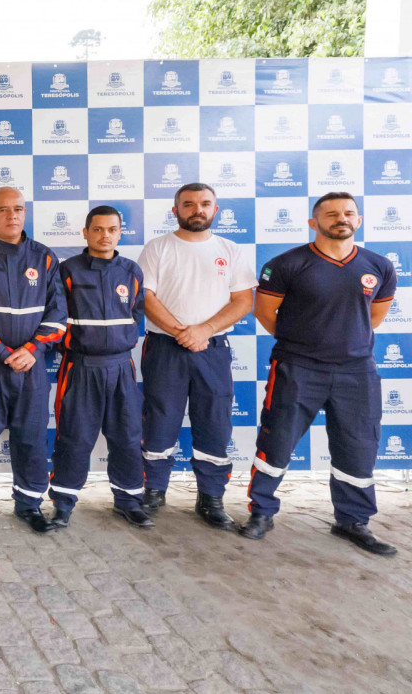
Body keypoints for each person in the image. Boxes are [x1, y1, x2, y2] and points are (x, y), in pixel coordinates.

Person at [240, 192, 398, 556]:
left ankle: (353, 521)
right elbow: (264, 313)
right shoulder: (286, 264)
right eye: (331, 214)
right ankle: (261, 512)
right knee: (277, 441)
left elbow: (374, 317)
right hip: (297, 367)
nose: (341, 218)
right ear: (314, 222)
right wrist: (300, 342)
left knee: (358, 446)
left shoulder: (379, 266)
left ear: (358, 220)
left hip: (357, 371)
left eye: (348, 213)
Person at [139, 183, 255, 529]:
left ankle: (211, 497)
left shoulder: (230, 250)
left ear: (215, 210)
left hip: (213, 350)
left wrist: (203, 331)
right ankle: (153, 491)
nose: (197, 209)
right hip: (165, 347)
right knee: (159, 420)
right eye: (188, 204)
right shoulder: (158, 247)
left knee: (214, 422)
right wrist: (182, 332)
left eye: (205, 203)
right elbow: (145, 297)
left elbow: (243, 301)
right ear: (175, 211)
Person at [0, 186, 66, 536]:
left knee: (32, 439)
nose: (12, 215)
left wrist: (32, 349)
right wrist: (3, 352)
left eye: (18, 209)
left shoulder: (45, 257)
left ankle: (29, 505)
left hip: (31, 367)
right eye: (3, 209)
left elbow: (58, 316)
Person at [50, 206, 152, 529]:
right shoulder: (67, 271)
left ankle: (129, 501)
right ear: (85, 232)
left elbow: (136, 315)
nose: (104, 235)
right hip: (81, 367)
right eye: (97, 229)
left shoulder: (131, 271)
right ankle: (63, 504)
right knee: (74, 437)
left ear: (120, 233)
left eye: (111, 229)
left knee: (127, 436)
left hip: (121, 367)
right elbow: (55, 318)